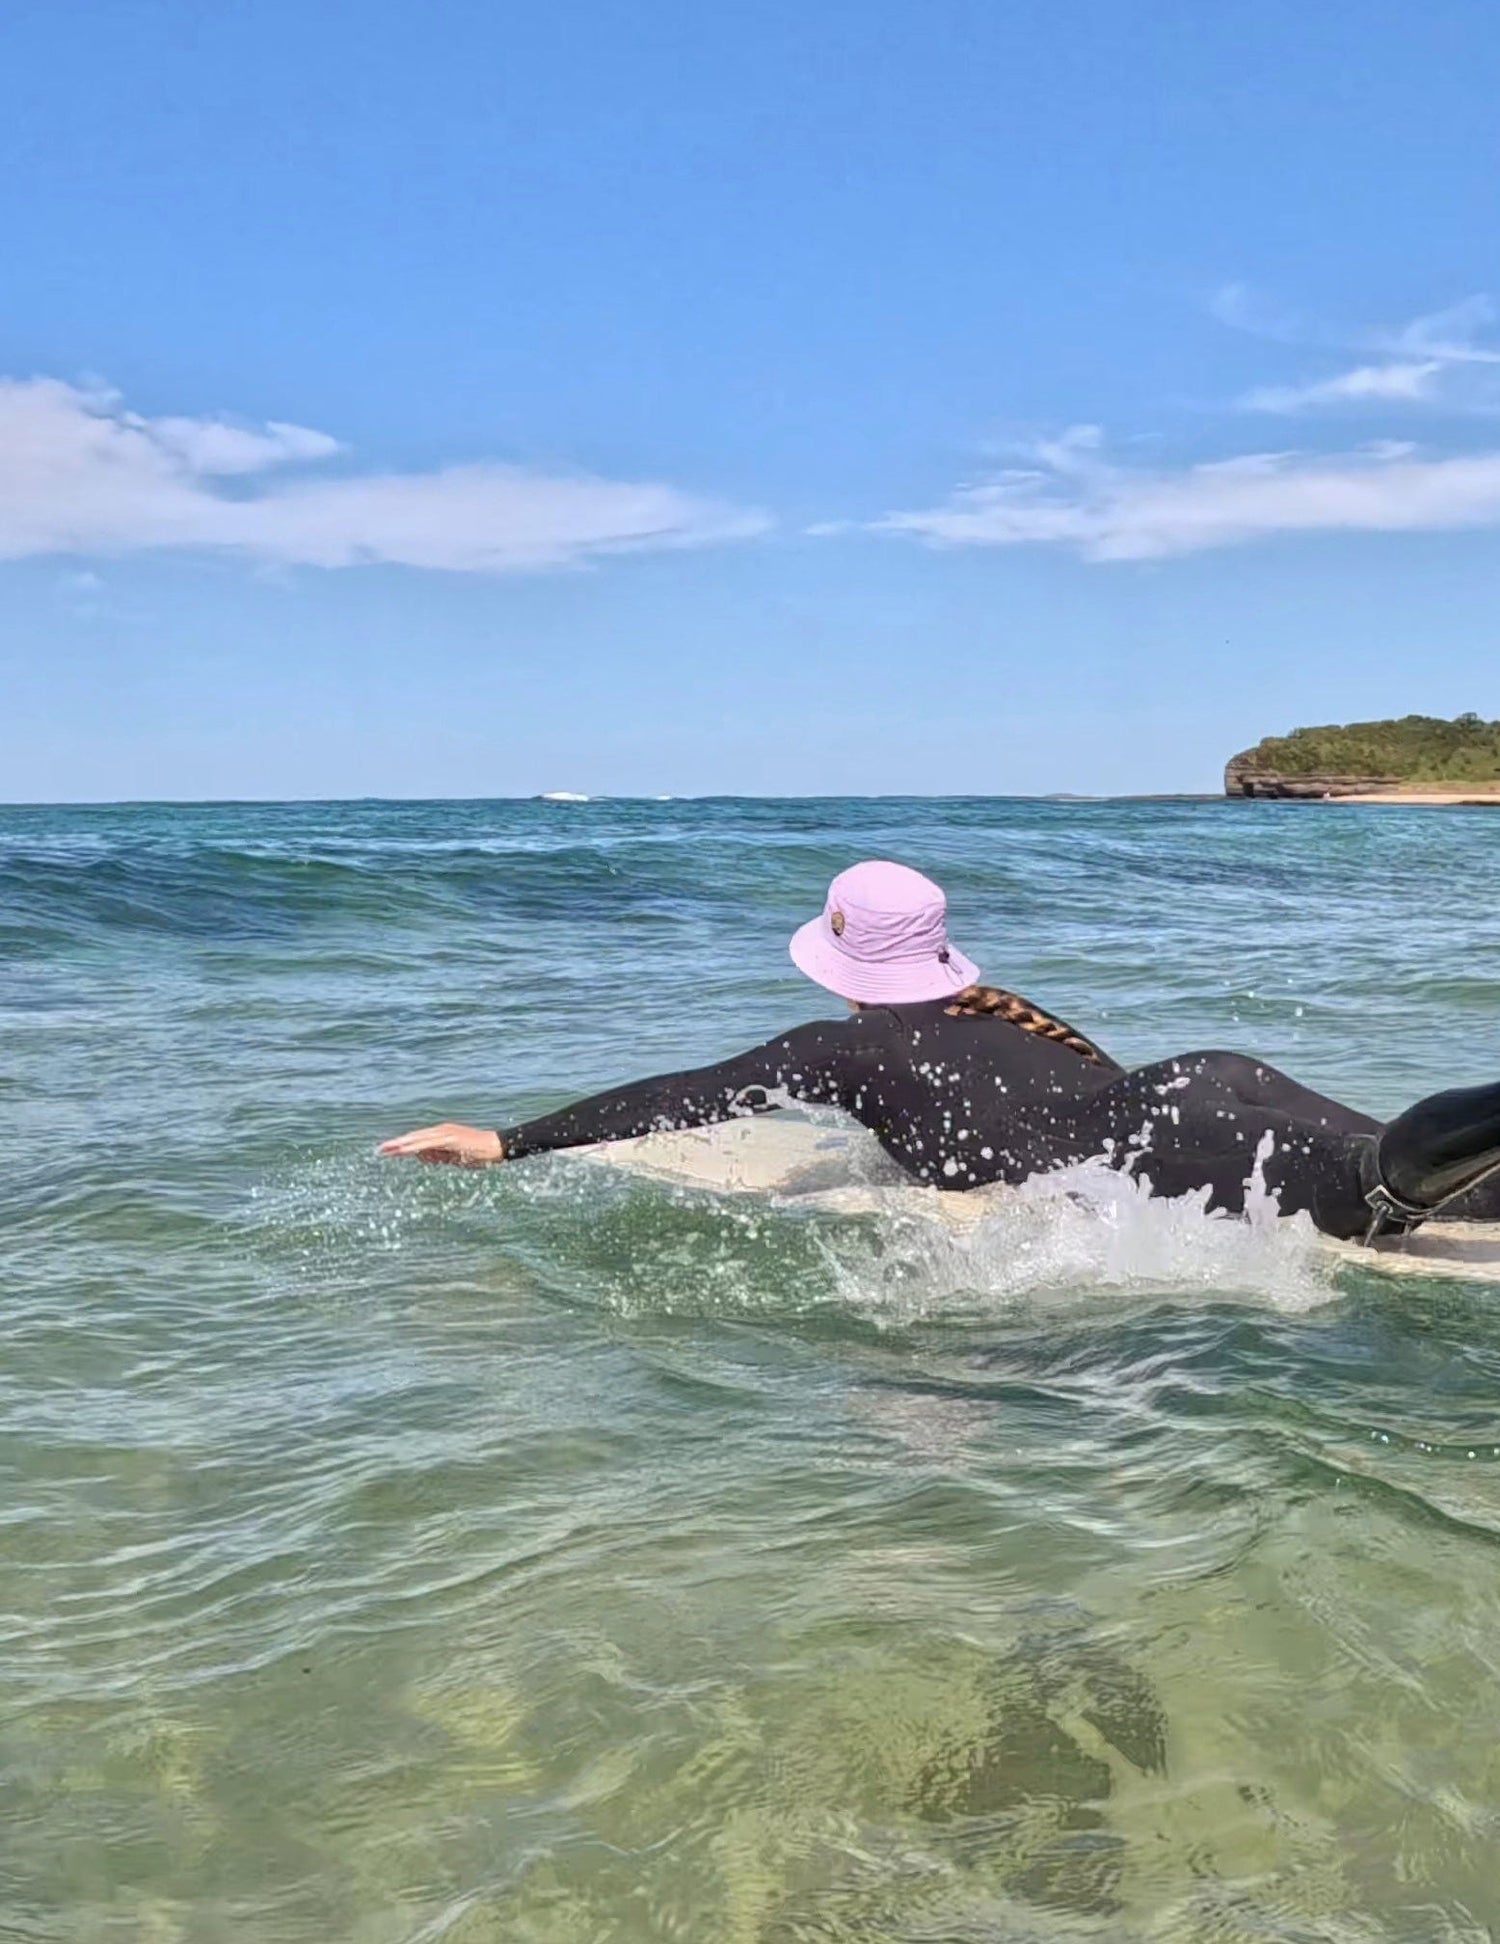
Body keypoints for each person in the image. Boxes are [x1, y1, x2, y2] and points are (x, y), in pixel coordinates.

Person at [381, 859, 1500, 1244]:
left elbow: (692, 1097)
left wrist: (506, 1142)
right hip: (1204, 1080)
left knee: (1385, 1197)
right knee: (1456, 1197)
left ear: (837, 957)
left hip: (1154, 1136)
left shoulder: (842, 1051)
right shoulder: (1004, 1012)